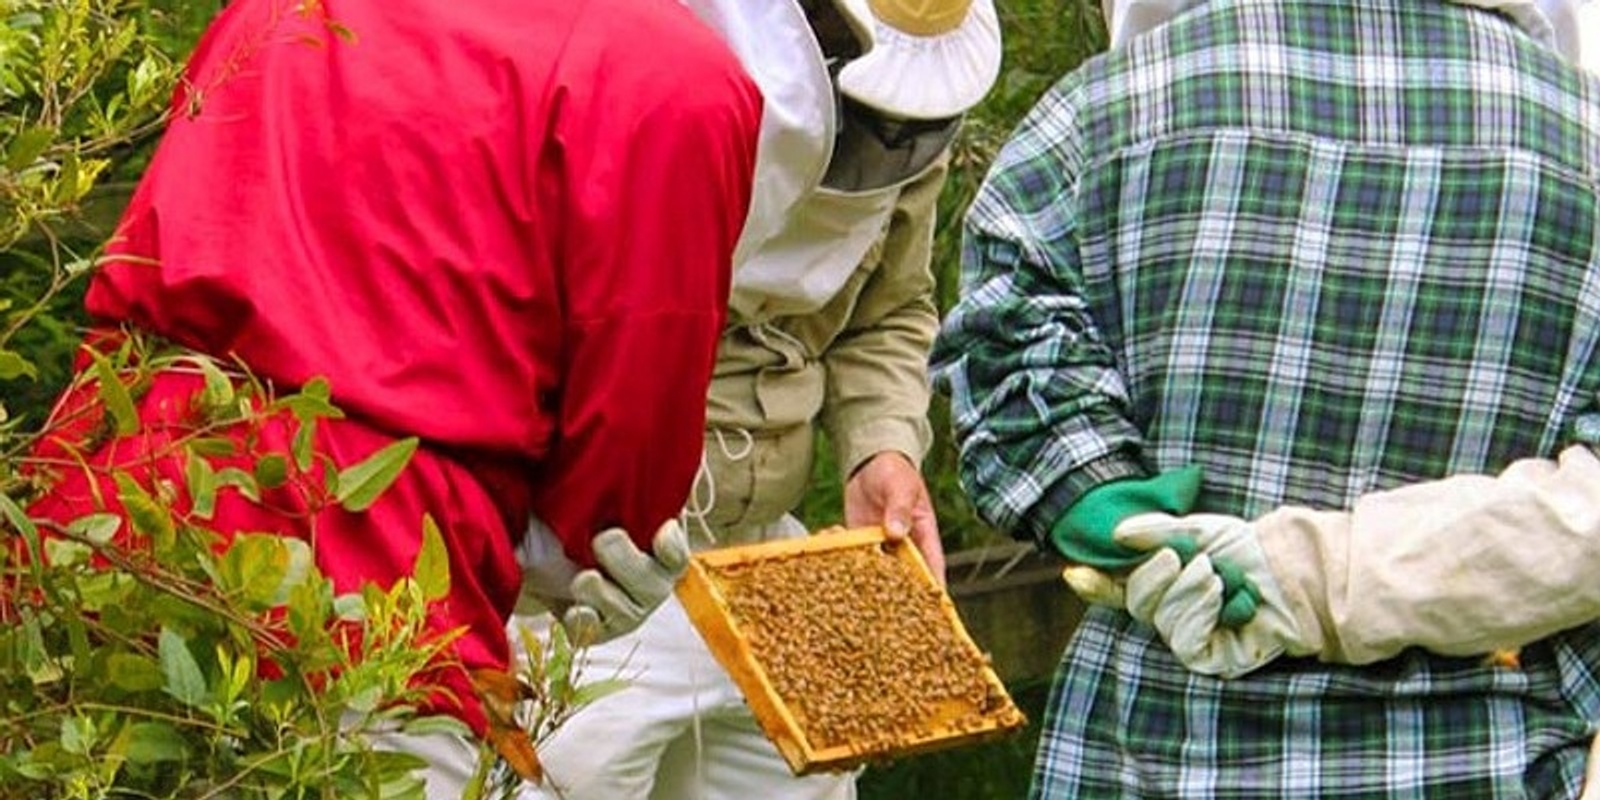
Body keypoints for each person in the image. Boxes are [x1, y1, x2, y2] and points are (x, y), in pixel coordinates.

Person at [20, 0, 761, 796]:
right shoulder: (669, 73)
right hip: (372, 595)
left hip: (96, 516)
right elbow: (627, 435)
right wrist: (598, 542)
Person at [930, 0, 1600, 794]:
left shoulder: (1103, 111)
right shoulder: (1584, 144)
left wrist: (1087, 483)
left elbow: (1005, 331)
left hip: (1154, 752)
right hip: (1477, 759)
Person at [509, 0, 1002, 797]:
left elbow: (891, 306)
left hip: (768, 561)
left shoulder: (917, 123)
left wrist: (885, 446)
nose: (887, 138)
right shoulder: (650, 81)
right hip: (589, 569)